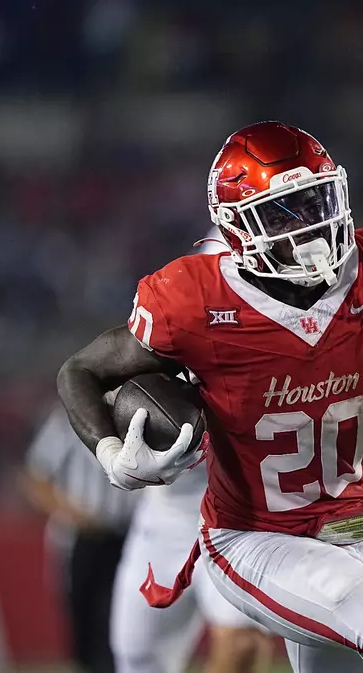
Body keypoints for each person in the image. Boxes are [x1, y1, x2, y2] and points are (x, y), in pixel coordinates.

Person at [58, 121, 363, 673]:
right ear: (236, 229)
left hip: (354, 531)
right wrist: (111, 455)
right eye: (282, 213)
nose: (312, 229)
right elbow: (80, 370)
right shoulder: (195, 301)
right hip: (254, 539)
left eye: (316, 200)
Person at [111, 230, 273, 673]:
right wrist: (114, 444)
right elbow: (99, 383)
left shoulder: (284, 339)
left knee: (240, 646)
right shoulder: (172, 326)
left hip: (244, 517)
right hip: (168, 514)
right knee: (137, 656)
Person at [21, 406, 138, 673]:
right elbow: (36, 477)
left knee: (120, 621)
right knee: (82, 620)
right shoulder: (66, 422)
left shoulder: (138, 415)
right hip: (81, 539)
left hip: (129, 537)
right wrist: (73, 514)